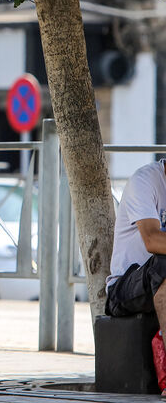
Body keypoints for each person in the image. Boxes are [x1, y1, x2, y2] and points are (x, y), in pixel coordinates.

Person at [106, 158, 166, 391]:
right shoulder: (145, 180)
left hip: (155, 285)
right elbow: (151, 240)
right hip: (125, 287)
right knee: (163, 263)